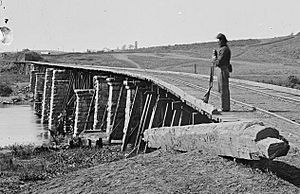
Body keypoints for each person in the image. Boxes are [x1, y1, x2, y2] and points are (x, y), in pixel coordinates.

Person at [212, 33, 231, 112]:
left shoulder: (224, 49)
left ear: (222, 40)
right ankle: (224, 106)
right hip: (222, 69)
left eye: (218, 40)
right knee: (222, 89)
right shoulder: (223, 49)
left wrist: (214, 58)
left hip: (222, 70)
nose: (218, 42)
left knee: (223, 89)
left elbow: (219, 62)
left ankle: (225, 107)